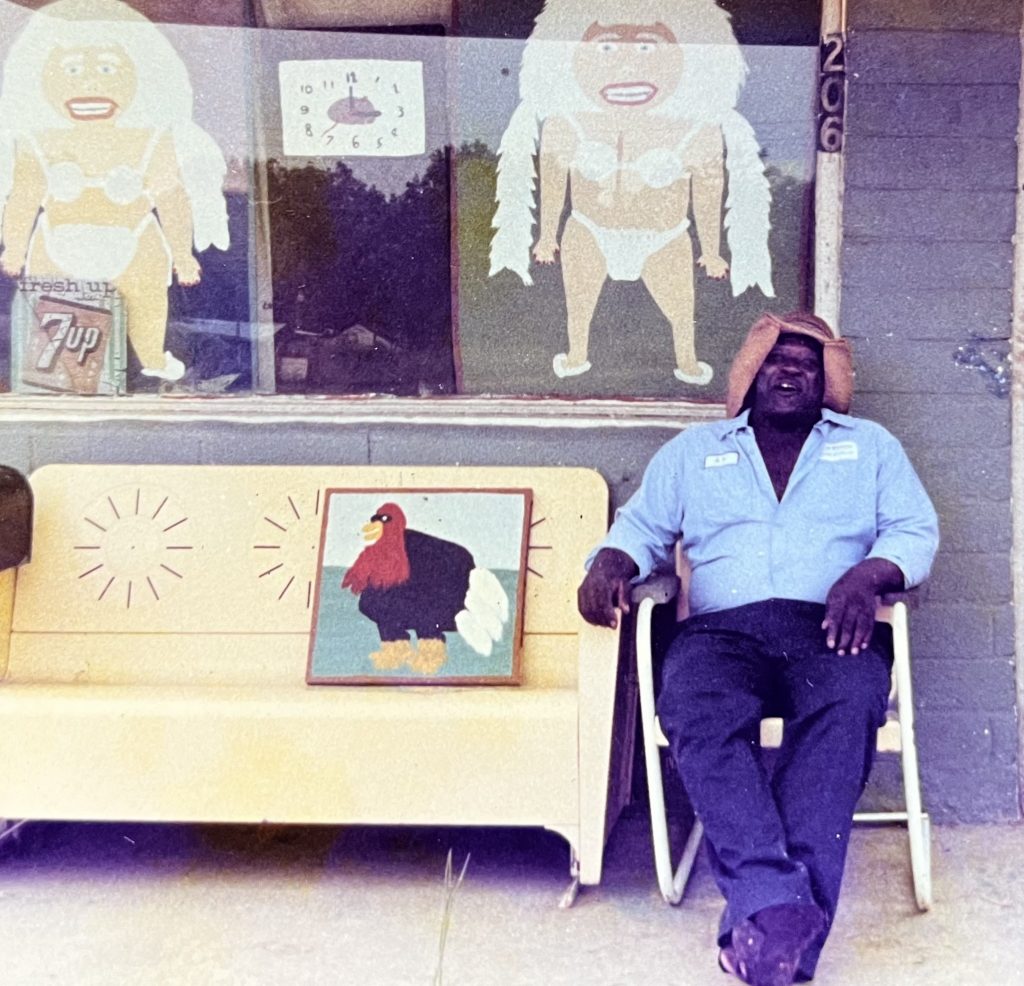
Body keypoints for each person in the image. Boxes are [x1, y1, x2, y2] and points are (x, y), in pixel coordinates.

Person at [578, 311, 939, 985]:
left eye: (807, 361)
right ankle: (779, 911)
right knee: (695, 706)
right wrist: (610, 562)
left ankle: (767, 926)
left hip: (831, 627)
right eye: (777, 358)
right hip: (722, 635)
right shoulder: (694, 451)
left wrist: (869, 575)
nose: (791, 370)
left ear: (827, 380)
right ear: (750, 373)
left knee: (847, 708)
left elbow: (914, 530)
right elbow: (642, 526)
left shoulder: (871, 447)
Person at [489, 0, 773, 385]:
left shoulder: (696, 129)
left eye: (646, 47)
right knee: (578, 309)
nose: (627, 66)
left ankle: (688, 363)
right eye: (606, 47)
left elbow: (707, 189)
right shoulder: (567, 123)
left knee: (681, 315)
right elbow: (554, 177)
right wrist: (547, 236)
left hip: (665, 236)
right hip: (589, 228)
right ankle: (577, 355)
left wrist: (711, 250)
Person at [0, 0, 229, 382]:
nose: (90, 82)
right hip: (56, 244)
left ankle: (153, 359)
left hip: (136, 242)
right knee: (61, 336)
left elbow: (170, 197)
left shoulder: (152, 139)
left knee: (148, 307)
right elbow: (23, 198)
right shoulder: (37, 142)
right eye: (73, 69)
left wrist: (182, 254)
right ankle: (68, 382)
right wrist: (14, 248)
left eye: (107, 68)